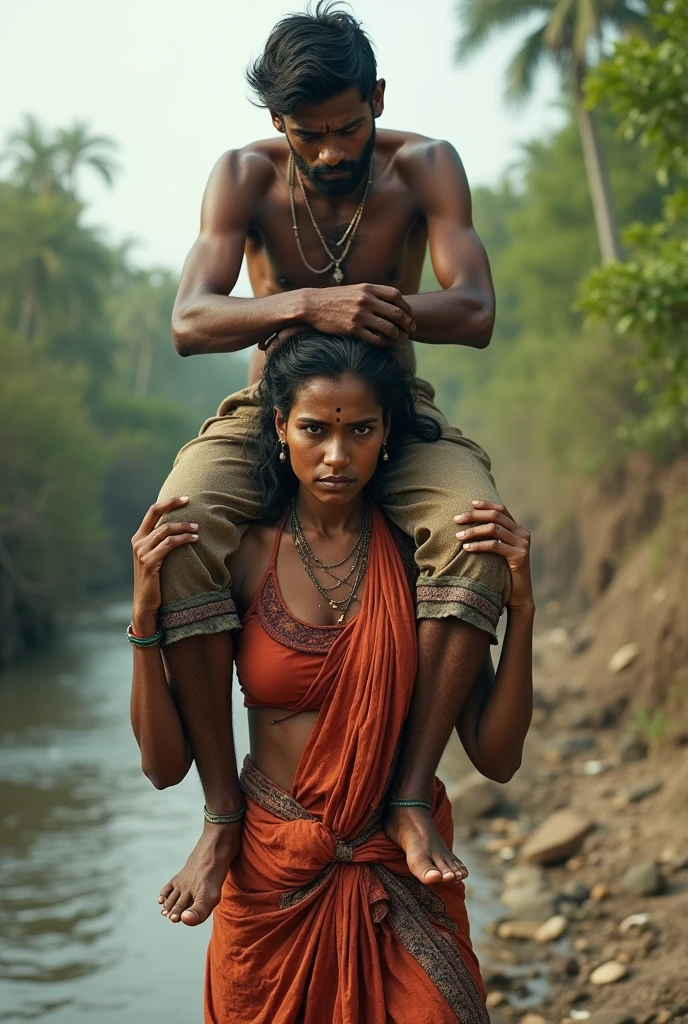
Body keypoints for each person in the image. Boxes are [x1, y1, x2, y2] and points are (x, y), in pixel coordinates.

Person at [155, 2, 511, 924]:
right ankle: (222, 813)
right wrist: (309, 310)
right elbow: (192, 319)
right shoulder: (243, 176)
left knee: (474, 536)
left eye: (347, 126)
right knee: (178, 530)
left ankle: (407, 797)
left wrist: (374, 308)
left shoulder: (425, 164)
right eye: (307, 133)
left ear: (377, 99)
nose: (327, 151)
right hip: (268, 416)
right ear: (277, 124)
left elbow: (473, 309)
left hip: (393, 414)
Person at [129, 334, 534, 1024]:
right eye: (315, 429)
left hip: (400, 865)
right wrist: (144, 620)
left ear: (388, 437)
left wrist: (520, 609)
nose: (338, 456)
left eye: (362, 431)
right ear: (280, 427)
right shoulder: (242, 558)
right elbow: (165, 767)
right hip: (269, 874)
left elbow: (495, 758)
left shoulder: (422, 563)